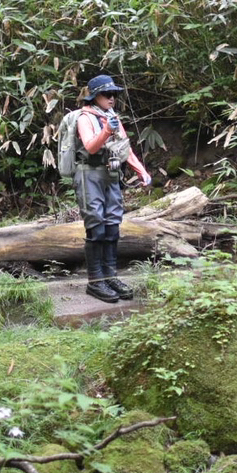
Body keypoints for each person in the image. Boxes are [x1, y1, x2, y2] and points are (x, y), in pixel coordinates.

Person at [72, 75, 152, 303]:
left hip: (112, 174)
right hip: (90, 175)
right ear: (95, 96)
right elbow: (90, 145)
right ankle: (96, 281)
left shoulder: (112, 117)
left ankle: (111, 276)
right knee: (96, 226)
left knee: (112, 226)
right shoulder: (85, 118)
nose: (112, 98)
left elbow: (125, 148)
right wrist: (107, 130)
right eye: (107, 94)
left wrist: (140, 171)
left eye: (114, 94)